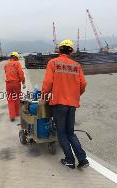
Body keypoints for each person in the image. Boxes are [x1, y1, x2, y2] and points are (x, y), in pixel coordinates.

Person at [41, 40, 89, 169]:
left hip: (58, 104)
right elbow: (83, 84)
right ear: (71, 51)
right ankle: (83, 160)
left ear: (59, 50)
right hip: (72, 104)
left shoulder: (53, 63)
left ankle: (69, 160)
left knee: (62, 134)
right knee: (71, 133)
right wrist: (75, 95)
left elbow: (48, 82)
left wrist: (44, 97)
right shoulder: (77, 66)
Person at [4, 52, 26, 122]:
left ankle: (12, 116)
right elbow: (21, 74)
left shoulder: (6, 64)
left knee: (10, 99)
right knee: (17, 98)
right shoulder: (17, 63)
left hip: (8, 84)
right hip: (16, 83)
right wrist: (23, 82)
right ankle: (17, 113)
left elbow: (6, 72)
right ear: (16, 57)